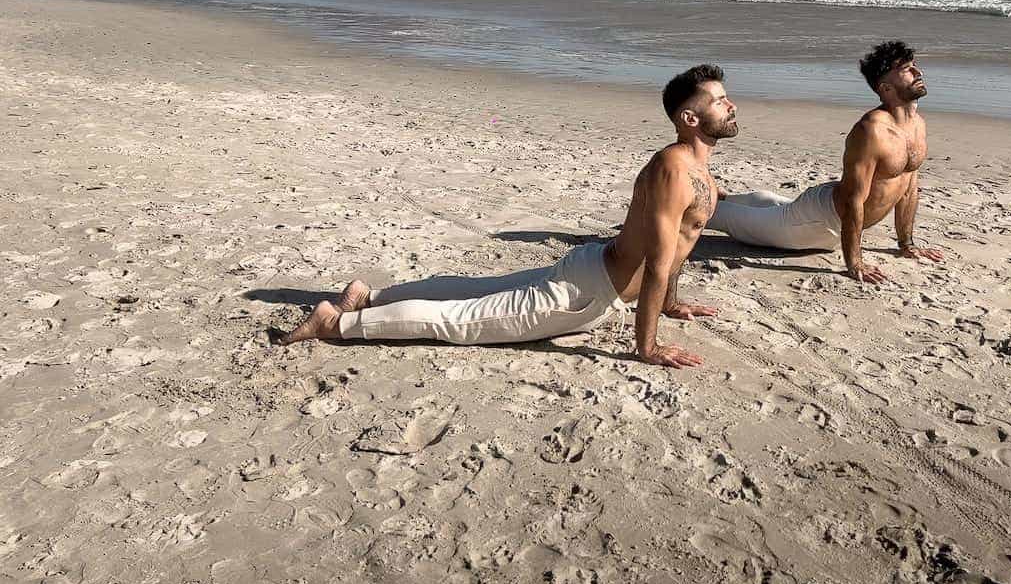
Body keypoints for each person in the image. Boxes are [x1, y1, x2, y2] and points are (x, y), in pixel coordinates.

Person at [272, 64, 737, 369]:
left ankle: (368, 296)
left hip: (594, 272)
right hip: (586, 292)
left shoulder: (702, 173)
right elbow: (658, 262)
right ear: (689, 119)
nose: (730, 104)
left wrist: (672, 303)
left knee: (480, 291)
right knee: (462, 320)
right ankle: (336, 324)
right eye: (718, 100)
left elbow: (678, 248)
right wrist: (647, 348)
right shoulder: (673, 170)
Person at [709, 40, 940, 284]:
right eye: (906, 69)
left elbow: (908, 188)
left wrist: (907, 244)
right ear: (886, 87)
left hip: (825, 214)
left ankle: (723, 196)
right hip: (814, 223)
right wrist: (855, 262)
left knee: (771, 207)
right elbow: (853, 200)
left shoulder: (917, 124)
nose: (918, 72)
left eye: (914, 65)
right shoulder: (872, 131)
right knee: (713, 215)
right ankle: (691, 201)